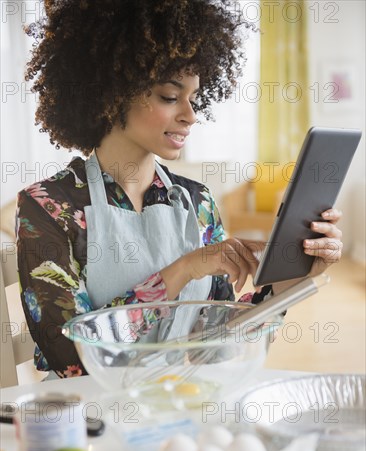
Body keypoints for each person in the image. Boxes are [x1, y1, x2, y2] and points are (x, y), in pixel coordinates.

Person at [16, 0, 343, 378]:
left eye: (193, 98)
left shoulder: (196, 201)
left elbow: (217, 344)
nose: (190, 114)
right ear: (112, 92)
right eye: (170, 97)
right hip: (93, 418)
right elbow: (72, 357)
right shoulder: (47, 207)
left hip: (176, 402)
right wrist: (184, 269)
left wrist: (290, 280)